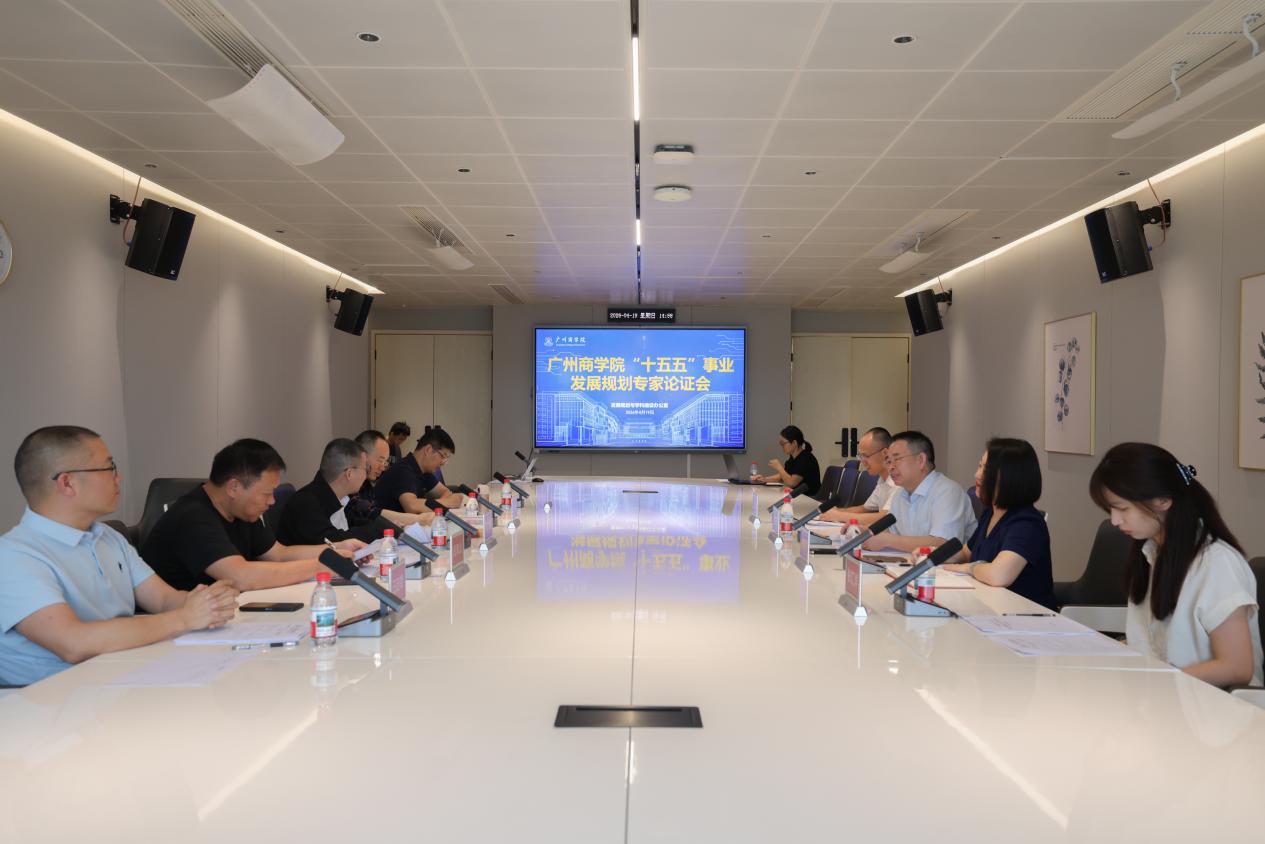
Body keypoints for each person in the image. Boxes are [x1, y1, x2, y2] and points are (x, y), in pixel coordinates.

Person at [0, 426, 239, 685]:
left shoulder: (107, 536)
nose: (118, 477)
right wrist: (185, 618)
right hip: (52, 695)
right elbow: (73, 643)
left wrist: (206, 601)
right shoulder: (14, 557)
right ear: (67, 483)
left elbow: (162, 599)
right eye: (109, 467)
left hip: (120, 674)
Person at [1088, 442, 1261, 687]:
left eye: (1122, 508)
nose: (1115, 520)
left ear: (1163, 500)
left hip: (1211, 702)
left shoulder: (1216, 564)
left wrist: (1158, 679)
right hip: (1162, 695)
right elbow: (1155, 644)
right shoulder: (1151, 552)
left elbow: (1236, 668)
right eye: (1111, 510)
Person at [141, 439, 363, 593]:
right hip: (174, 630)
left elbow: (279, 554)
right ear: (234, 487)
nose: (272, 501)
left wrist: (336, 549)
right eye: (266, 493)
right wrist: (320, 566)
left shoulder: (241, 511)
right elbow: (241, 576)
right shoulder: (192, 517)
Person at [942, 438, 1055, 609]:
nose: (977, 475)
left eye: (986, 470)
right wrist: (932, 556)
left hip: (1022, 614)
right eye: (980, 466)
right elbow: (967, 552)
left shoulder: (1027, 523)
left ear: (1011, 477)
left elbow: (998, 575)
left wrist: (969, 568)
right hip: (988, 605)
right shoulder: (991, 512)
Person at [862, 430, 976, 553]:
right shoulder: (900, 494)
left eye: (897, 459)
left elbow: (943, 544)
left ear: (921, 460)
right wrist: (864, 531)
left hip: (948, 565)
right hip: (909, 562)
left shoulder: (948, 492)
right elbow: (892, 531)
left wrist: (888, 540)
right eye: (888, 461)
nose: (891, 467)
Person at [275, 439, 388, 546]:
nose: (366, 475)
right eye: (365, 469)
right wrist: (379, 530)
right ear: (349, 474)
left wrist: (385, 526)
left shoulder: (338, 497)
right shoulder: (305, 504)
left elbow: (353, 523)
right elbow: (333, 542)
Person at [346, 430, 433, 530]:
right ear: (362, 456)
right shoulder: (348, 485)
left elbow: (372, 517)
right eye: (380, 460)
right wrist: (416, 519)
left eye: (385, 462)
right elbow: (367, 512)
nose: (382, 468)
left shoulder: (367, 486)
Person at [374, 427, 465, 514]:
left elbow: (446, 492)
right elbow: (412, 506)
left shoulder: (424, 471)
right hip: (385, 524)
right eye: (443, 456)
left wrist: (441, 504)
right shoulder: (404, 470)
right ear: (428, 450)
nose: (443, 463)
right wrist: (448, 503)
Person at [821, 427, 896, 525]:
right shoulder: (882, 479)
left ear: (885, 453)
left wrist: (839, 516)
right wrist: (837, 511)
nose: (862, 462)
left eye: (866, 456)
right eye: (860, 456)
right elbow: (865, 508)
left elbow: (884, 517)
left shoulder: (898, 481)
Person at [752, 425, 820, 496]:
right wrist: (764, 479)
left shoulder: (806, 459)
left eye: (783, 443)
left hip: (810, 498)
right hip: (798, 495)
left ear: (794, 443)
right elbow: (782, 477)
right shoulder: (792, 459)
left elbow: (791, 483)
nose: (782, 447)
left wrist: (779, 467)